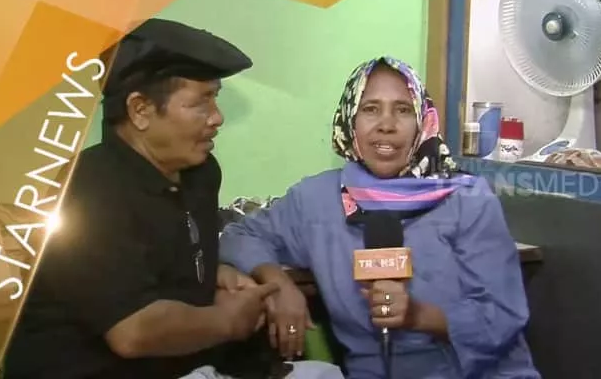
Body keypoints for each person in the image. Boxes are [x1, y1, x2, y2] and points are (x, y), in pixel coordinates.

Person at [2, 18, 342, 379]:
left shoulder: (200, 174)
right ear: (140, 110)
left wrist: (220, 276)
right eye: (202, 102)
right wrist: (227, 321)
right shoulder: (86, 190)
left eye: (216, 98)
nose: (217, 118)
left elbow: (169, 263)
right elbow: (134, 332)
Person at [219, 57, 541, 378]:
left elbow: (503, 317)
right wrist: (278, 285)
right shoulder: (317, 199)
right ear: (350, 120)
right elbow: (240, 236)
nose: (386, 124)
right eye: (371, 109)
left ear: (423, 121)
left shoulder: (468, 199)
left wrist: (418, 316)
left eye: (403, 110)